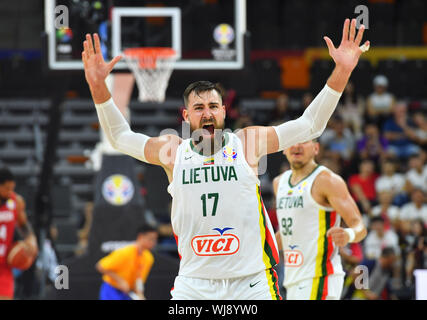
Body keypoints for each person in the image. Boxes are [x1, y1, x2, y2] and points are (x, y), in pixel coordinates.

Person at [82, 18, 369, 300]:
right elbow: (120, 136)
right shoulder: (172, 151)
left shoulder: (247, 142)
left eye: (213, 106)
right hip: (194, 283)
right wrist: (98, 88)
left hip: (251, 281)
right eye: (198, 107)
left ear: (223, 112)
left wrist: (342, 71)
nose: (207, 113)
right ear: (186, 116)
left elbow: (310, 125)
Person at [273, 140, 367, 300]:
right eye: (293, 140)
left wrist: (348, 234)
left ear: (316, 148)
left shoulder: (328, 180)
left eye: (303, 141)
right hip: (293, 278)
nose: (297, 145)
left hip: (321, 276)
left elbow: (360, 226)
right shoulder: (279, 183)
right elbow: (287, 232)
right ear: (284, 149)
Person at [0, 167, 38, 300]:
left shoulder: (16, 201)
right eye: (7, 188)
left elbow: (24, 225)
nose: (10, 192)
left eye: (12, 188)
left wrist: (31, 240)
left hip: (4, 266)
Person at [96, 224, 158, 300]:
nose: (153, 242)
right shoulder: (125, 252)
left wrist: (140, 294)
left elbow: (139, 279)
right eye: (150, 239)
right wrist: (120, 281)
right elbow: (101, 266)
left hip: (126, 293)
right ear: (140, 237)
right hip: (111, 289)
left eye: (155, 239)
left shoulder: (148, 258)